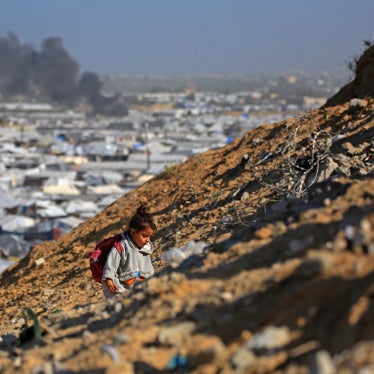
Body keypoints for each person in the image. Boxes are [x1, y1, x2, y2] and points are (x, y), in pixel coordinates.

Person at [102, 204, 157, 299]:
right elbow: (110, 267)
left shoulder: (146, 248)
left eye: (149, 236)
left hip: (139, 287)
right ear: (133, 232)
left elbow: (148, 269)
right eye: (144, 236)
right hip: (121, 289)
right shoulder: (121, 247)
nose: (148, 240)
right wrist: (110, 283)